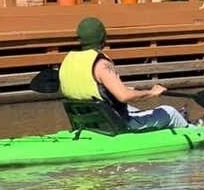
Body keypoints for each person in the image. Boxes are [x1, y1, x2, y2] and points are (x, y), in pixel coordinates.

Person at [59, 17, 190, 130]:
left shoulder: (68, 60)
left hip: (87, 123)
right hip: (115, 126)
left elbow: (94, 89)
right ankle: (193, 130)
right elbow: (123, 96)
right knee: (170, 111)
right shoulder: (101, 64)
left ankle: (179, 120)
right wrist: (152, 93)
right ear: (102, 37)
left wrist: (133, 89)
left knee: (132, 108)